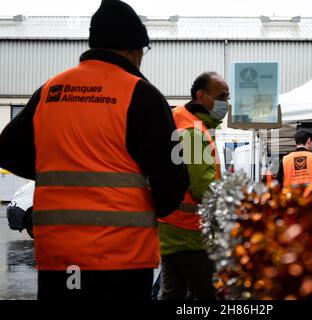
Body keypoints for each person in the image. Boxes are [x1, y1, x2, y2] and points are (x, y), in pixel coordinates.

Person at [0, 0, 189, 301]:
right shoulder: (142, 95)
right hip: (121, 259)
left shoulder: (51, 91)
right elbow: (173, 182)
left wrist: (57, 171)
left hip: (59, 260)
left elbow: (7, 151)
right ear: (133, 49)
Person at [158, 72, 229, 300]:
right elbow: (203, 188)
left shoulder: (181, 119)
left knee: (172, 294)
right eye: (221, 96)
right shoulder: (193, 132)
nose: (225, 103)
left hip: (171, 229)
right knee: (208, 297)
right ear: (201, 95)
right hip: (191, 234)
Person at [277, 129, 312, 203]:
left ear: (296, 142)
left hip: (291, 203)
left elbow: (278, 185)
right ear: (308, 141)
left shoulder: (284, 160)